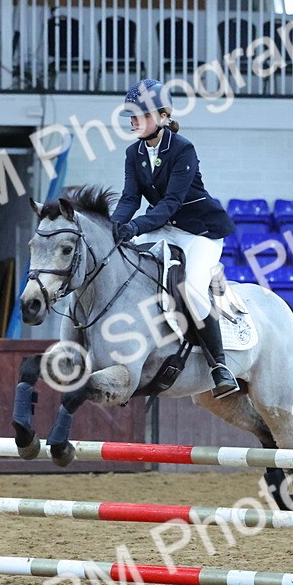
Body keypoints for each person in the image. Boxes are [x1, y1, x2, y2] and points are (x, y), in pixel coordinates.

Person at [110, 79, 240, 399]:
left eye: (140, 115)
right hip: (165, 228)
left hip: (200, 234)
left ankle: (219, 366)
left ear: (164, 116)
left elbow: (171, 202)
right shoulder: (134, 152)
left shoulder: (183, 149)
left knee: (193, 290)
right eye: (131, 115)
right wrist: (113, 227)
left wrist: (136, 227)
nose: (133, 121)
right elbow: (129, 198)